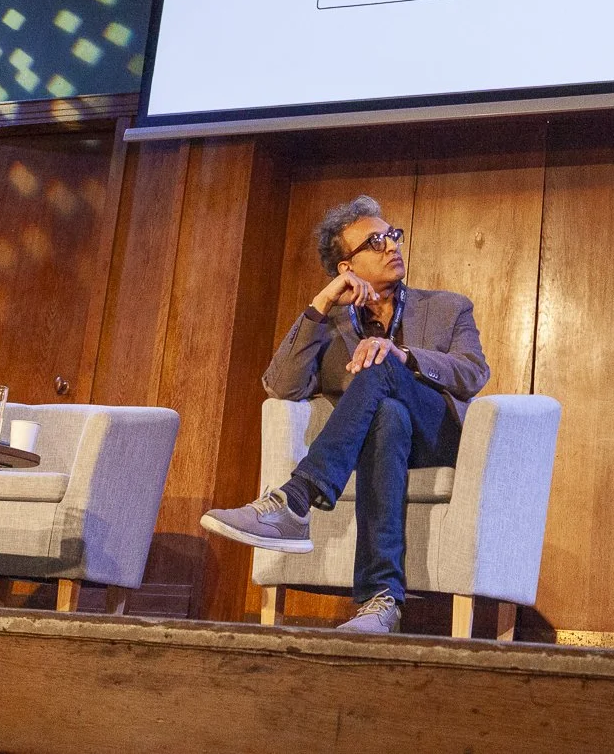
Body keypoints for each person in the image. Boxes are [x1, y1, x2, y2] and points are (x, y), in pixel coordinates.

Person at [200, 195, 489, 635]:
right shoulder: (330, 326)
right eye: (375, 242)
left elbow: (473, 372)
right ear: (346, 267)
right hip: (379, 443)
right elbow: (282, 386)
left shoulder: (448, 307)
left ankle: (295, 500)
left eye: (392, 235)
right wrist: (320, 305)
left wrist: (402, 355)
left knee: (381, 364)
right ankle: (380, 602)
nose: (391, 246)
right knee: (388, 415)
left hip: (438, 436)